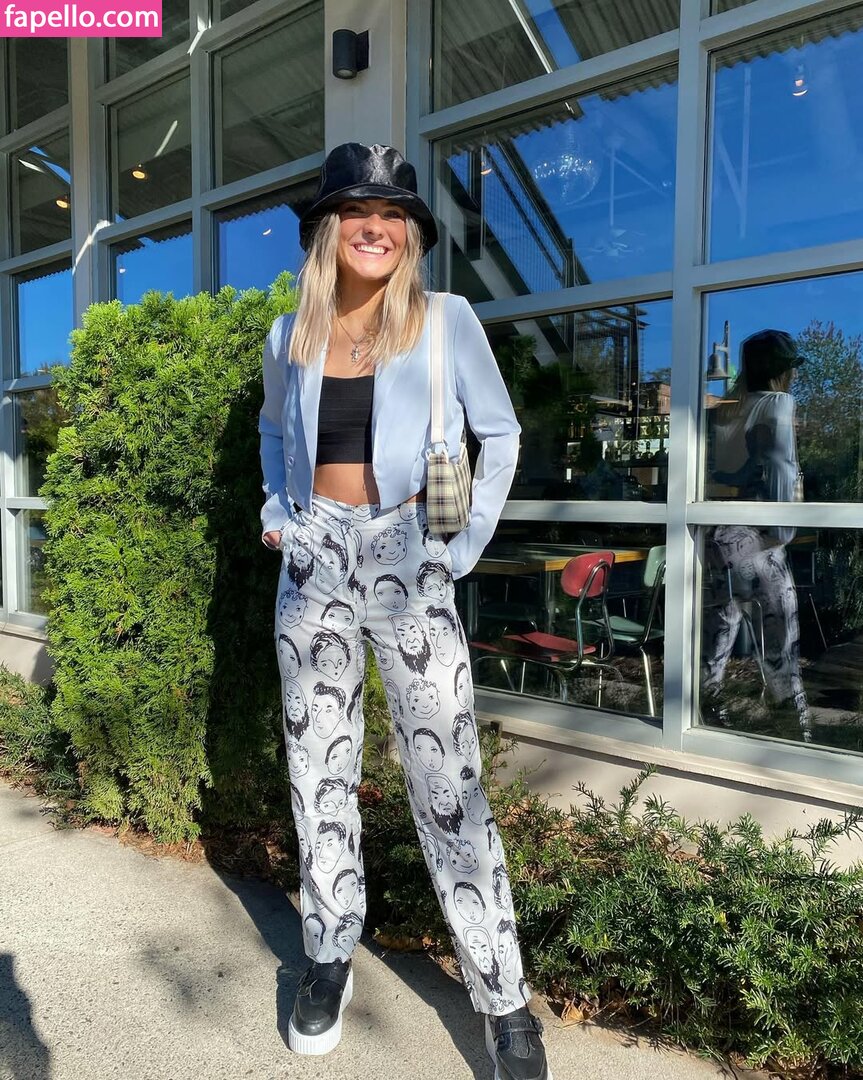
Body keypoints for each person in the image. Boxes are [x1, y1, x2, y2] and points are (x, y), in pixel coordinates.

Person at [259, 143, 551, 1080]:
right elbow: (272, 430)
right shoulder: (290, 333)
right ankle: (328, 954)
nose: (376, 227)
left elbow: (498, 435)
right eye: (357, 211)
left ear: (412, 235)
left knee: (448, 783)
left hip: (407, 553)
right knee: (318, 770)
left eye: (392, 214)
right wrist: (279, 509)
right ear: (328, 229)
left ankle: (502, 997)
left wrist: (457, 549)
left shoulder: (444, 320)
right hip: (314, 558)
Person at [702, 329, 813, 741]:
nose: (793, 376)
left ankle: (706, 716)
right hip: (757, 536)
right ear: (780, 370)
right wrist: (783, 529)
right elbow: (781, 468)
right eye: (790, 368)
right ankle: (792, 729)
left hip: (715, 535)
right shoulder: (777, 404)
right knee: (780, 641)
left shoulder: (724, 411)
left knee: (718, 632)